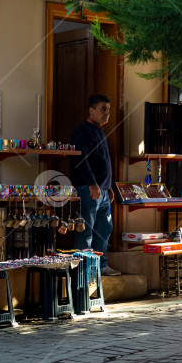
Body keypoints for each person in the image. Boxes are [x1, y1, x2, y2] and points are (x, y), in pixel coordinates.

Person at [70, 94, 121, 276]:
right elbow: (81, 159)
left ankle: (100, 265)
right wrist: (92, 183)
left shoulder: (100, 130)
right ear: (91, 110)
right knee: (86, 230)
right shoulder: (82, 131)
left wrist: (108, 187)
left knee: (105, 228)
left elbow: (103, 162)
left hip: (104, 191)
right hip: (88, 189)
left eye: (108, 109)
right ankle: (83, 269)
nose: (107, 113)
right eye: (103, 109)